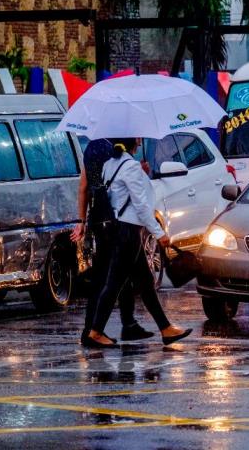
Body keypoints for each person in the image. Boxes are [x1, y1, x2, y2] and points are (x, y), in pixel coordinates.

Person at [84, 138, 192, 348]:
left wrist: (140, 172)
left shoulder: (111, 164)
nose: (141, 141)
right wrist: (159, 233)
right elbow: (141, 205)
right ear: (132, 142)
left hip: (120, 229)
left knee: (145, 282)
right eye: (138, 138)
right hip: (128, 232)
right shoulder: (130, 166)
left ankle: (166, 328)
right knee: (114, 284)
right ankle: (95, 331)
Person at [72, 138, 153, 346]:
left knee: (116, 274)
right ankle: (97, 331)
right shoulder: (114, 152)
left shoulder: (91, 148)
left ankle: (125, 324)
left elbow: (83, 187)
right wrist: (140, 172)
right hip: (115, 219)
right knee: (113, 276)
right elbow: (122, 188)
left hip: (97, 218)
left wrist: (81, 220)